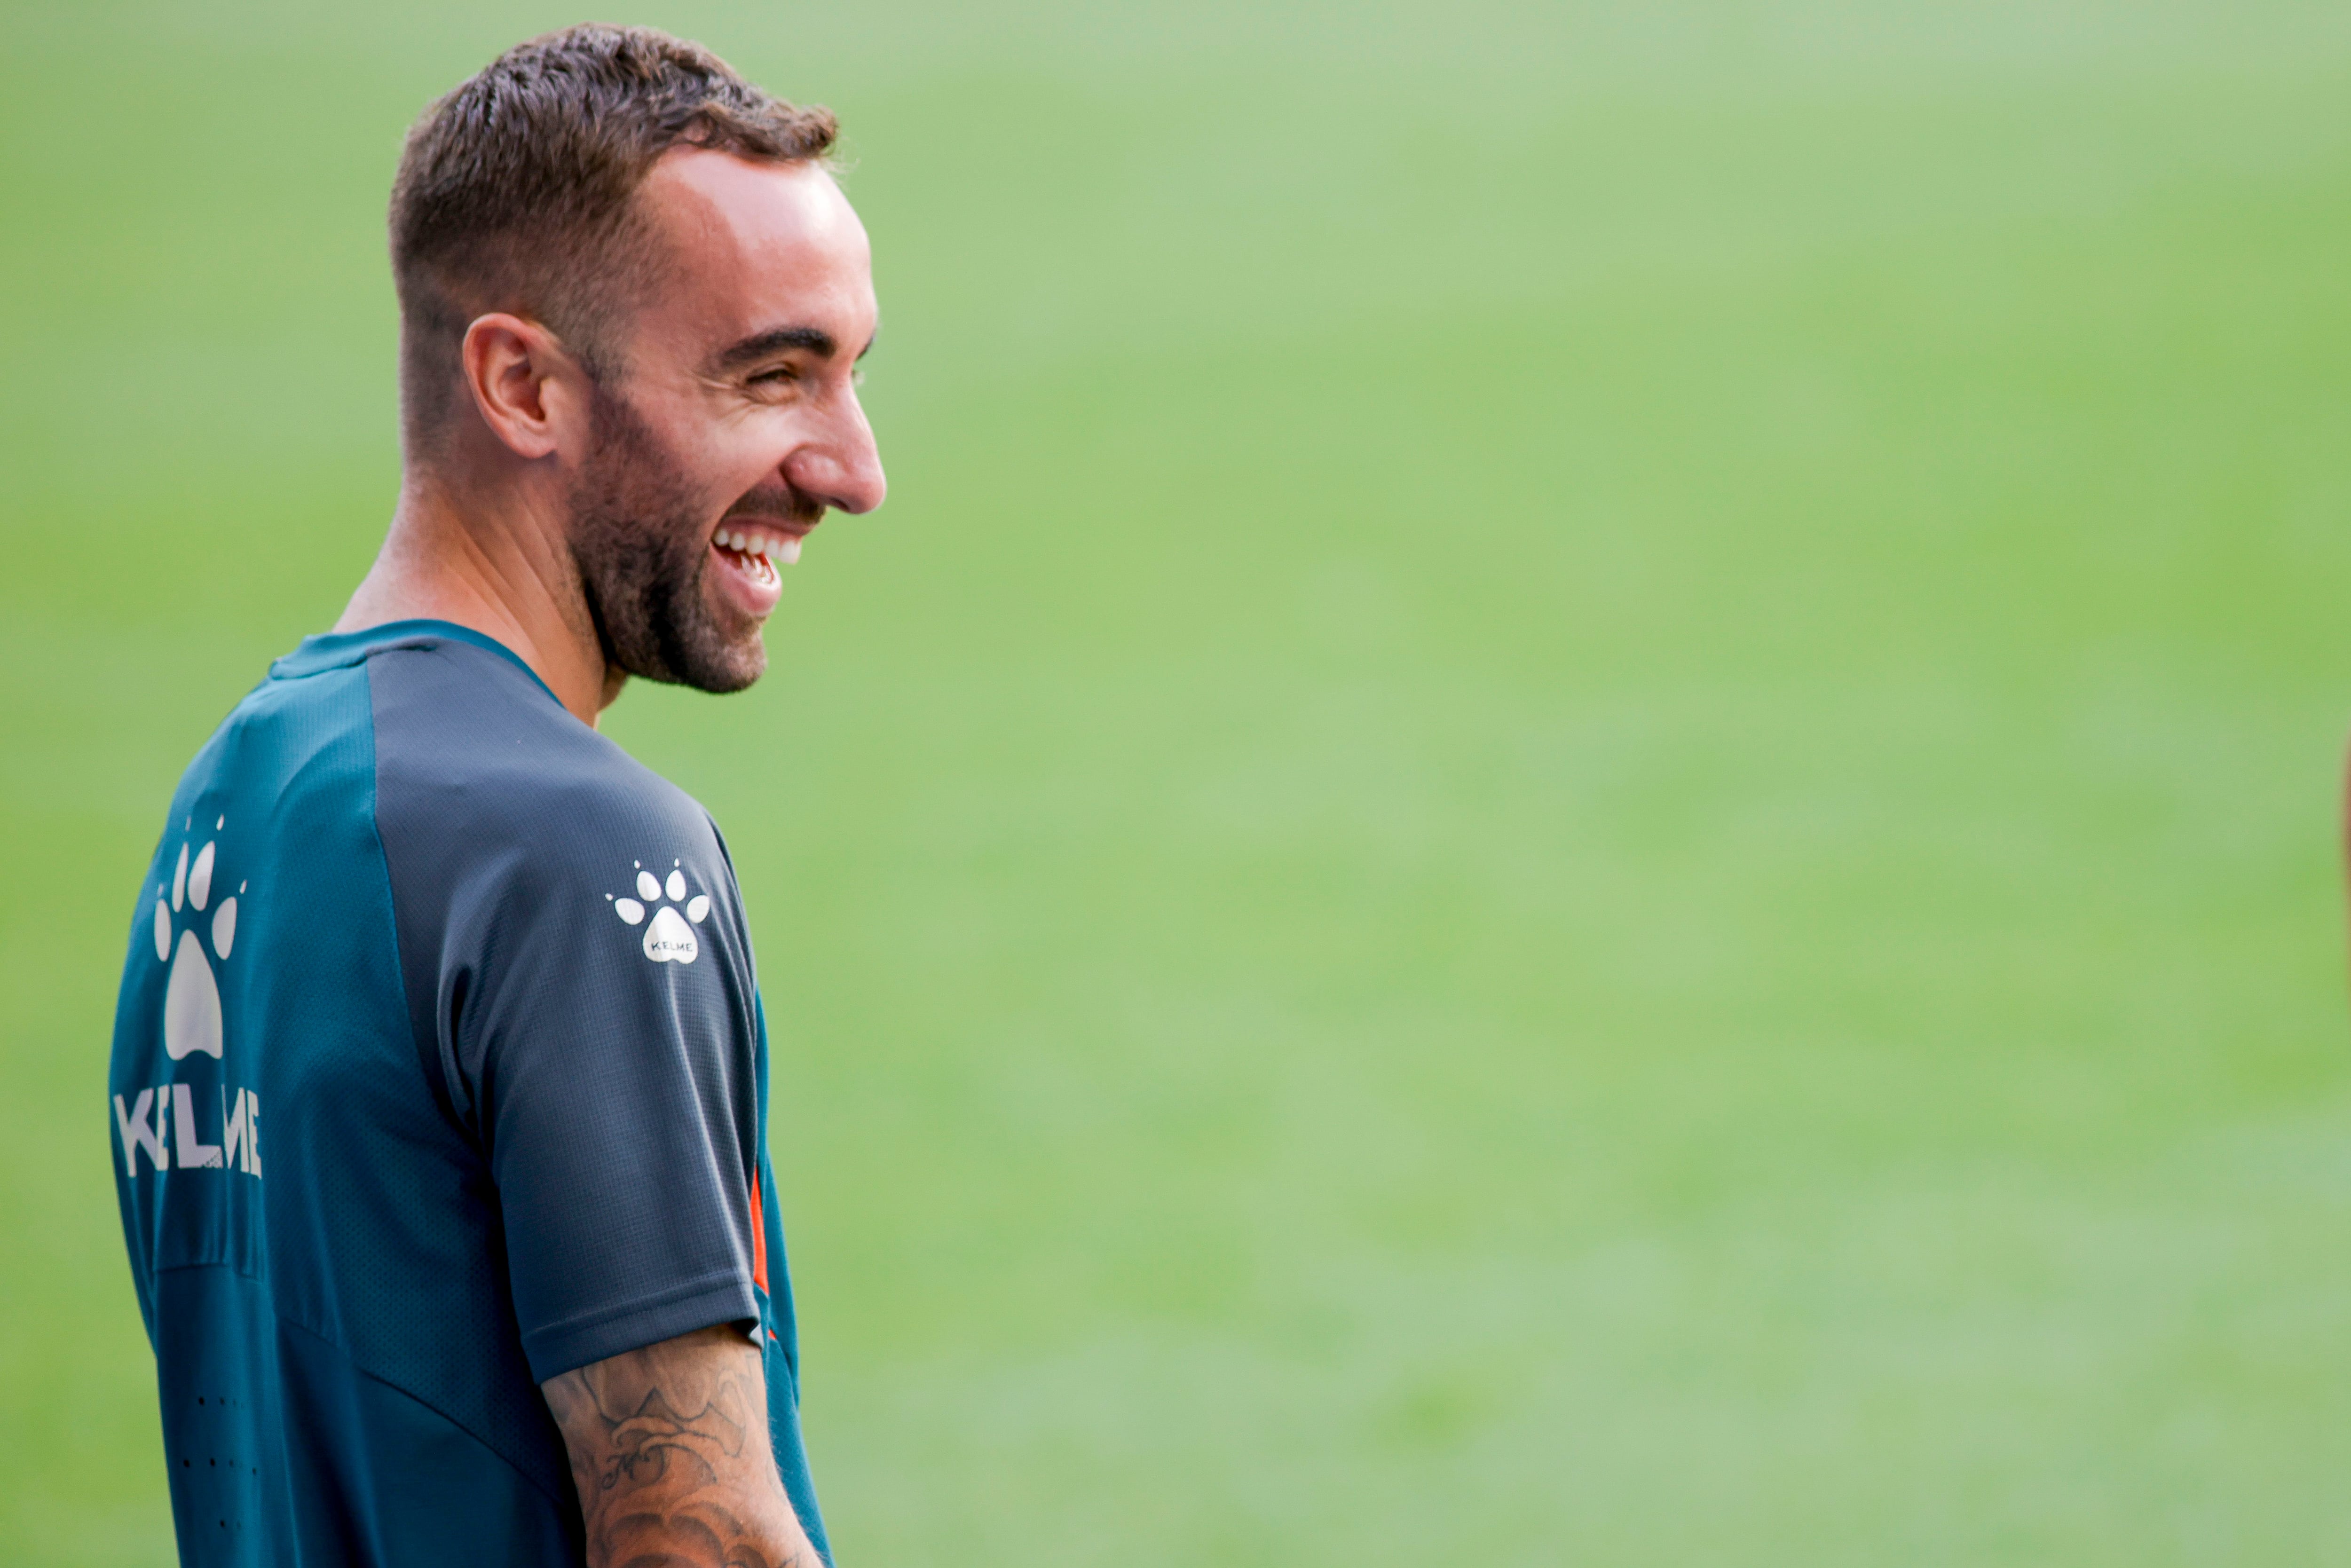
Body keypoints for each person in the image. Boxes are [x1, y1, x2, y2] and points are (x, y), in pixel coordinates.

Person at [105, 24, 884, 1566]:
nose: (854, 468)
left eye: (851, 375)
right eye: (772, 376)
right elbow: (697, 1536)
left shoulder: (234, 804)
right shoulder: (577, 849)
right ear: (523, 384)